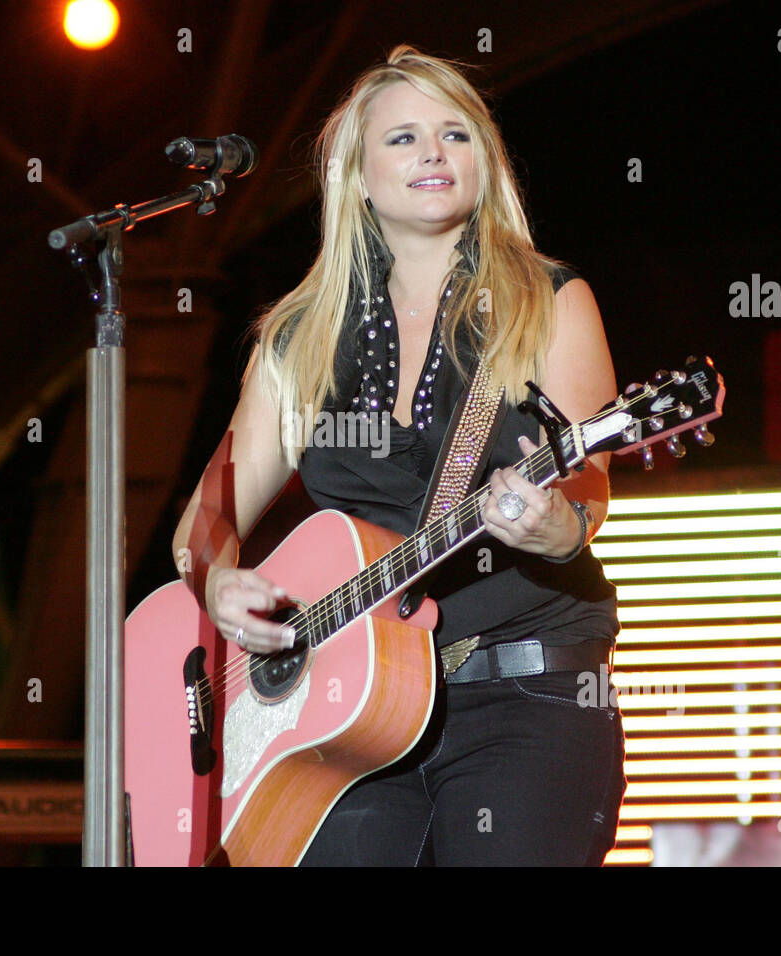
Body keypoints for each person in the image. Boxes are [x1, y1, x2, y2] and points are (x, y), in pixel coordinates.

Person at [171, 45, 626, 866]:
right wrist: (217, 581)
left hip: (519, 699)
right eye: (403, 137)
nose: (432, 153)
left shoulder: (549, 301)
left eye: (455, 133)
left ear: (483, 161)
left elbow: (587, 485)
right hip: (345, 716)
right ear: (357, 176)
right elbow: (208, 517)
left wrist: (558, 527)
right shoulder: (300, 337)